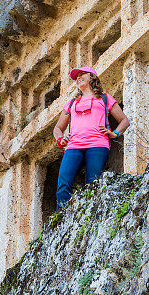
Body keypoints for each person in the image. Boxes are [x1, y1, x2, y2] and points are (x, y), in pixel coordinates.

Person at [53, 66, 130, 209]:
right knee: (63, 183)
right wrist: (60, 139)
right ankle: (59, 220)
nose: (78, 77)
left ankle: (90, 216)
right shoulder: (72, 103)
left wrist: (115, 133)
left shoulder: (105, 98)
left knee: (92, 182)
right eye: (77, 76)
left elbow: (124, 121)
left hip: (98, 144)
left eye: (82, 74)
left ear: (92, 77)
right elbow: (57, 128)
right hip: (74, 145)